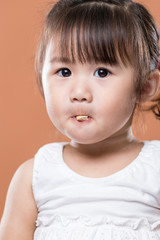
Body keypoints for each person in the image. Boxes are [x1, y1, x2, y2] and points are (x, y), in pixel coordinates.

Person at [0, 0, 160, 239]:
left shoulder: (155, 169)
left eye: (102, 72)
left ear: (145, 86)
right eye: (64, 72)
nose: (79, 93)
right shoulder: (34, 178)